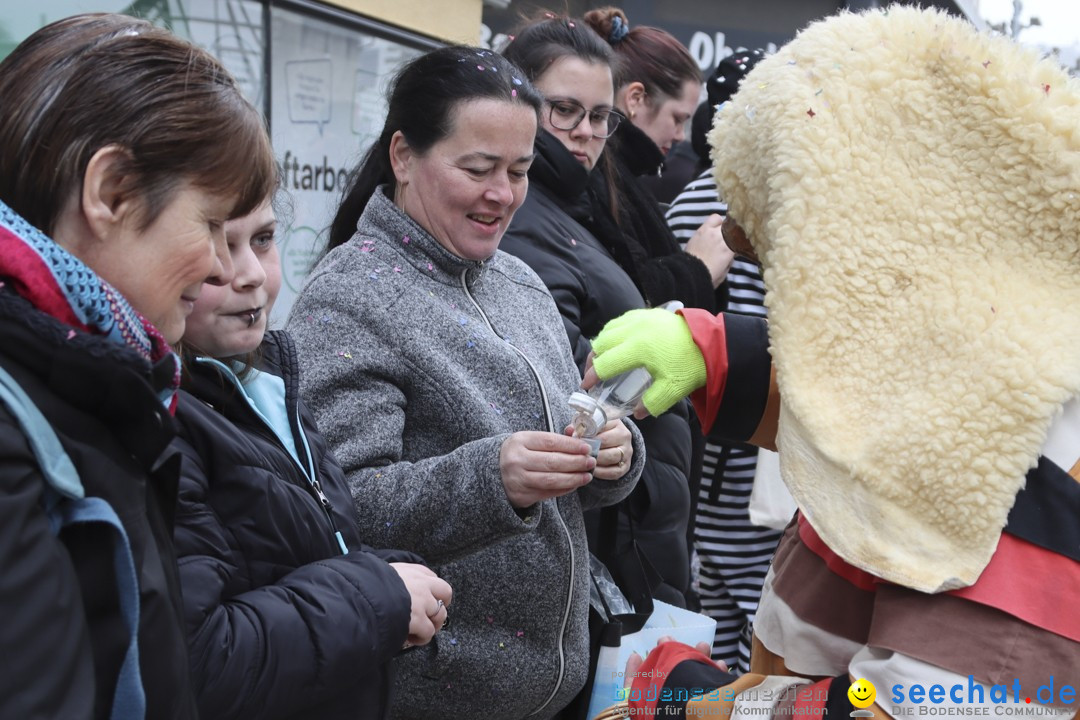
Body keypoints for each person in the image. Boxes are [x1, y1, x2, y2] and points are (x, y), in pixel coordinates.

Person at [585, 6, 1080, 718]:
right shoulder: (970, 329)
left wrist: (697, 705)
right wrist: (709, 350)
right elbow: (871, 378)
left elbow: (932, 705)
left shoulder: (1033, 445)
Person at [284, 46, 643, 720]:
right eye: (477, 169)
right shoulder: (348, 299)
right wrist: (492, 478)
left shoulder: (519, 280)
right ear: (402, 156)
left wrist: (612, 451)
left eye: (520, 170)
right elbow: (336, 510)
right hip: (429, 695)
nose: (502, 194)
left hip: (547, 692)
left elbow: (569, 435)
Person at [0, 13, 276, 718]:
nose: (221, 265)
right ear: (113, 191)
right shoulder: (21, 427)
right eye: (211, 222)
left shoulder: (95, 383)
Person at [172, 192, 452, 719]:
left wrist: (388, 572)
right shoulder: (170, 421)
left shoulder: (265, 381)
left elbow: (296, 554)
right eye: (219, 246)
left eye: (262, 239)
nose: (250, 273)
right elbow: (203, 659)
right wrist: (379, 594)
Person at [500, 13, 698, 611]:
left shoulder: (580, 205)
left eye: (600, 116)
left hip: (635, 502)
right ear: (519, 103)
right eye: (564, 110)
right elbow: (563, 384)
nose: (585, 132)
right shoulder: (525, 217)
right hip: (609, 523)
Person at [663, 47, 780, 674]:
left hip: (707, 446)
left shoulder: (688, 197)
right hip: (754, 453)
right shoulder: (756, 204)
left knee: (720, 606)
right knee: (759, 615)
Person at [581, 6, 733, 314]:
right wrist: (696, 267)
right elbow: (623, 296)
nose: (680, 135)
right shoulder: (602, 179)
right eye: (677, 119)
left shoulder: (622, 178)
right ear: (635, 99)